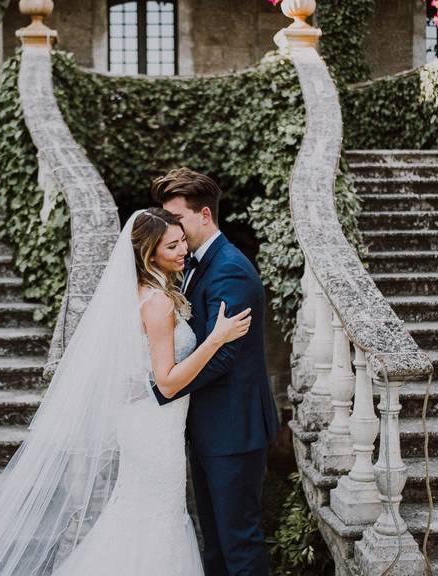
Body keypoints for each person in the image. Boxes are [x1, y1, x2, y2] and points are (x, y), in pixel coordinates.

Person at [0, 207, 251, 576]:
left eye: (182, 241)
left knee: (140, 510)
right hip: (154, 423)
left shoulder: (143, 292)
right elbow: (166, 381)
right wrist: (214, 340)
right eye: (172, 246)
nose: (183, 250)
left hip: (145, 418)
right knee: (158, 515)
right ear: (149, 255)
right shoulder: (159, 303)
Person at [152, 167, 281, 576]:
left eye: (178, 219)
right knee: (216, 544)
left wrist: (165, 385)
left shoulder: (230, 269)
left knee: (239, 543)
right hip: (209, 428)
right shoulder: (192, 265)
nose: (171, 230)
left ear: (204, 215)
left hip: (234, 429)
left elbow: (224, 356)